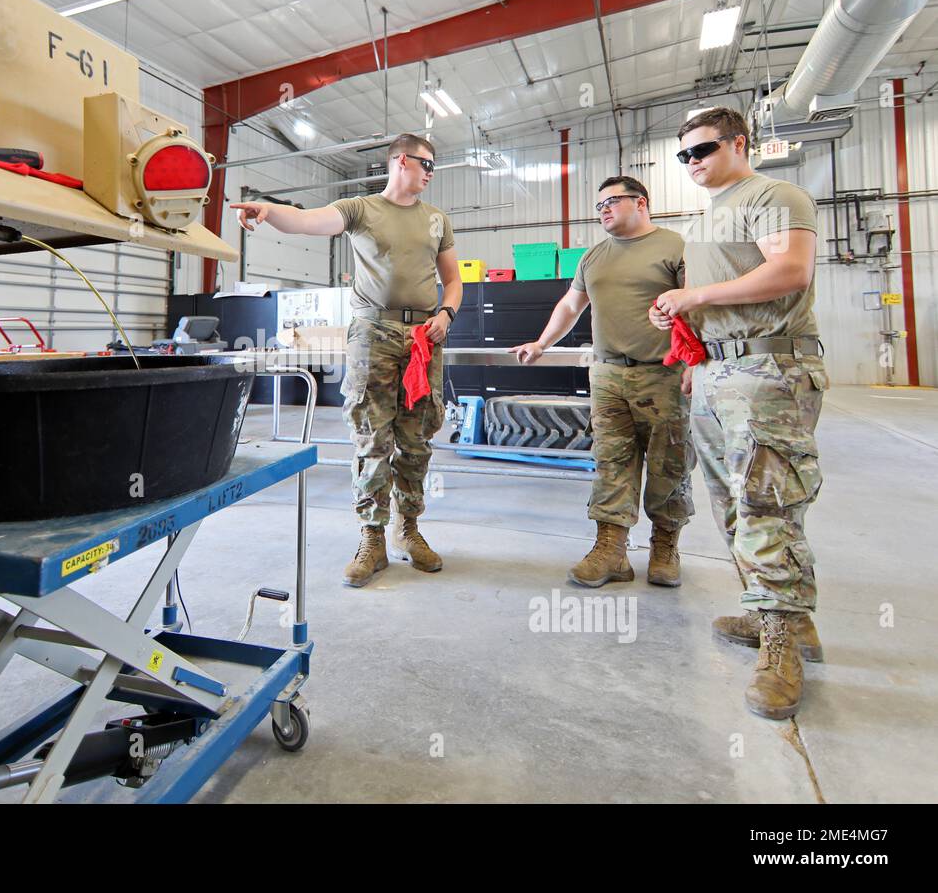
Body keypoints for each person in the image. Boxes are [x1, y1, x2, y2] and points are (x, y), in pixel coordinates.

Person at [651, 106, 826, 720]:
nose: (693, 163)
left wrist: (694, 294)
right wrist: (689, 326)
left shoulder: (773, 194)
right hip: (720, 370)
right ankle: (778, 617)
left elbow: (789, 270)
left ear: (739, 143)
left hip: (768, 368)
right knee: (732, 502)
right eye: (684, 156)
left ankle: (782, 645)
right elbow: (723, 294)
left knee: (766, 502)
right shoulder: (711, 216)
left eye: (702, 150)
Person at [232, 134, 460, 588]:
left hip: (422, 337)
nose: (431, 173)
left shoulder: (437, 220)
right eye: (426, 164)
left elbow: (453, 280)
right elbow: (308, 222)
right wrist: (270, 211)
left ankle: (408, 529)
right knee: (371, 435)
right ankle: (372, 538)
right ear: (399, 161)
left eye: (434, 166)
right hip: (372, 332)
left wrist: (447, 314)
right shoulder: (360, 209)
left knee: (417, 438)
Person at [510, 176, 694, 588]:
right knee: (611, 460)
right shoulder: (593, 257)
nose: (604, 210)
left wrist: (697, 363)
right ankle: (611, 549)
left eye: (612, 201)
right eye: (599, 206)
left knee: (670, 462)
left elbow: (699, 309)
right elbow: (571, 305)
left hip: (663, 373)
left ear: (641, 203)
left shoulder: (675, 247)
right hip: (608, 372)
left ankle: (665, 546)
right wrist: (541, 343)